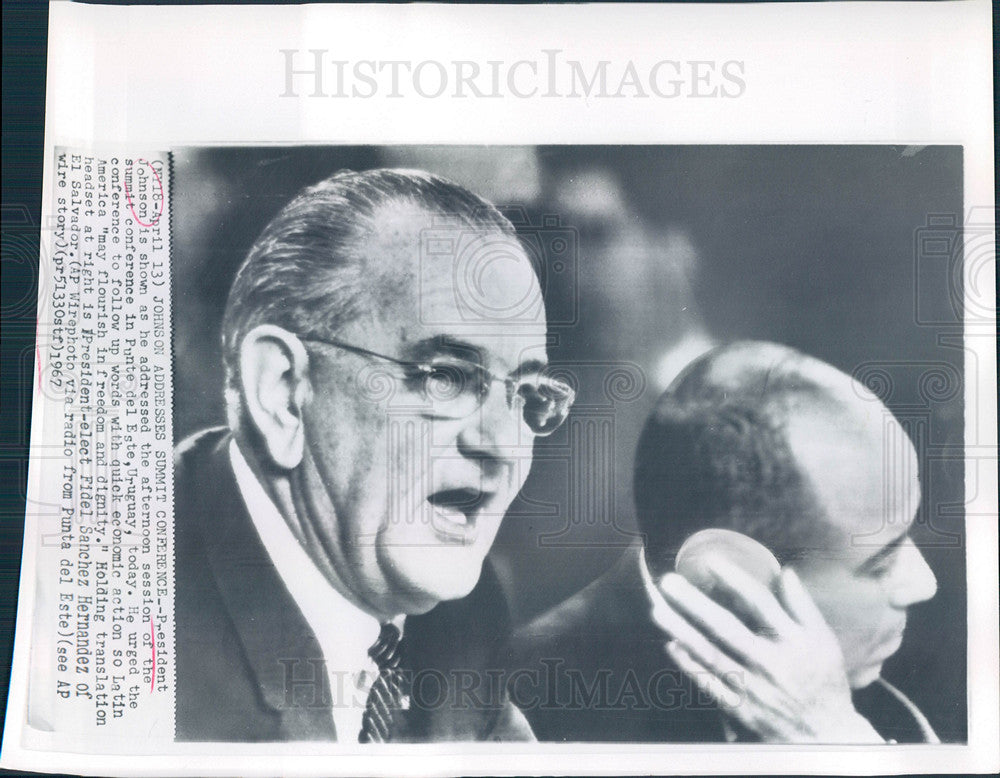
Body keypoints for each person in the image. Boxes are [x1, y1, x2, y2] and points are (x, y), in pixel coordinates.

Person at [173, 168, 575, 742]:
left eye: (530, 394)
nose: (504, 444)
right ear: (283, 392)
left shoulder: (464, 615)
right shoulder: (134, 627)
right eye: (448, 378)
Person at [509, 341, 940, 743]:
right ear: (730, 576)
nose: (925, 584)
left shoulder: (888, 689)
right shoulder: (520, 714)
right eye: (881, 563)